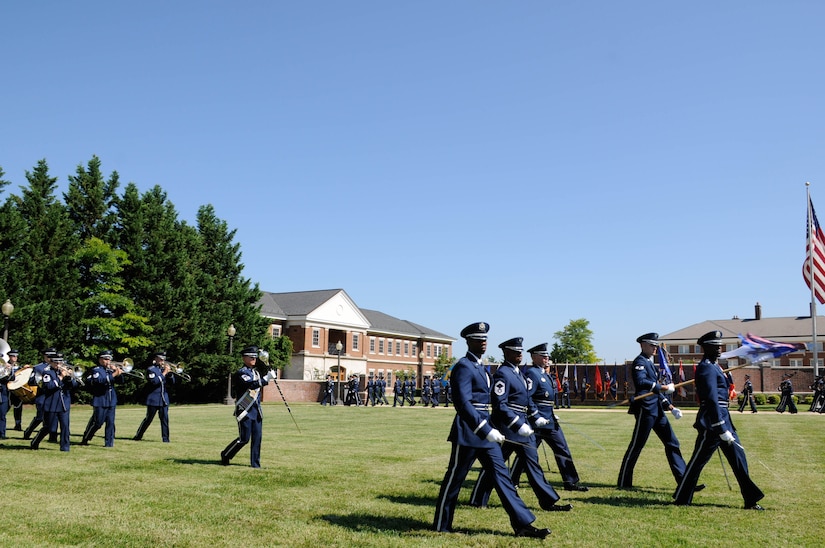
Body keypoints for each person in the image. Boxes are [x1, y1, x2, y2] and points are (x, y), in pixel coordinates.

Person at [433, 322, 551, 539]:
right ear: (468, 341)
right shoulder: (463, 366)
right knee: (455, 480)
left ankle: (523, 525)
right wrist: (483, 428)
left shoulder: (481, 367)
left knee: (502, 477)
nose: (483, 342)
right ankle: (442, 523)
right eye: (478, 339)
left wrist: (491, 429)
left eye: (485, 338)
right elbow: (463, 403)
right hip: (469, 432)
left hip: (487, 433)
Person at [469, 337, 572, 512]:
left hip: (523, 428)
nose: (519, 355)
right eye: (515, 352)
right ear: (506, 353)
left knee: (533, 465)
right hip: (507, 429)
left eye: (520, 352)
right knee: (494, 466)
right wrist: (517, 424)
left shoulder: (520, 374)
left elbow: (527, 400)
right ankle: (478, 499)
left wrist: (536, 416)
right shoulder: (503, 374)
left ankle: (548, 501)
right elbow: (500, 404)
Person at [674, 331, 765, 510]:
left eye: (720, 345)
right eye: (715, 346)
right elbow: (710, 399)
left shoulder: (715, 366)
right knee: (697, 463)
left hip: (723, 419)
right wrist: (720, 427)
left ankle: (750, 499)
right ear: (705, 348)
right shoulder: (706, 367)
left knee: (739, 459)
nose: (719, 348)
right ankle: (682, 497)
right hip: (713, 422)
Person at [512, 343, 588, 492]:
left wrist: (551, 413)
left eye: (547, 355)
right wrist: (535, 415)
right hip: (537, 422)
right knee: (527, 452)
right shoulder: (532, 374)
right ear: (534, 357)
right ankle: (513, 479)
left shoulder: (545, 373)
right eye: (543, 355)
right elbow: (527, 397)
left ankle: (570, 481)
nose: (547, 358)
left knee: (562, 449)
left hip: (549, 420)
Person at [618, 333, 688, 489]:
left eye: (656, 345)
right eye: (652, 345)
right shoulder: (640, 362)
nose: (655, 348)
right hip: (645, 410)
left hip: (657, 409)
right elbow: (641, 382)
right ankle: (624, 482)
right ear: (643, 345)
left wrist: (671, 407)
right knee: (637, 445)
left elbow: (655, 392)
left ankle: (684, 480)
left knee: (672, 442)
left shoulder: (650, 363)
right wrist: (662, 387)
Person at [221, 346, 275, 468]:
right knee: (244, 439)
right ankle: (226, 454)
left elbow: (257, 386)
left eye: (255, 357)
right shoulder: (241, 373)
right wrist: (266, 379)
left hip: (256, 411)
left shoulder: (255, 372)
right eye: (251, 357)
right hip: (245, 409)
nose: (254, 359)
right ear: (244, 358)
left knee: (257, 439)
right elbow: (250, 385)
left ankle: (255, 464)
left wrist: (268, 377)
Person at [31, 353, 78, 451]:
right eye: (56, 362)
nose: (58, 364)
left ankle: (65, 447)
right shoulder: (47, 373)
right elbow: (49, 386)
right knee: (49, 428)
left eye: (60, 362)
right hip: (52, 403)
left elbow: (73, 386)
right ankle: (35, 441)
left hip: (64, 402)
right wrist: (61, 377)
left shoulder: (64, 371)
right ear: (51, 362)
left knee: (65, 426)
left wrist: (69, 378)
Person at [81, 350, 123, 446]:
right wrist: (114, 374)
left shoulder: (110, 370)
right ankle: (86, 437)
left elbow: (120, 382)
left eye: (109, 359)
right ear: (100, 360)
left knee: (110, 423)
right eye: (106, 359)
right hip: (100, 400)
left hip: (111, 400)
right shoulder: (96, 370)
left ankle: (109, 443)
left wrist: (118, 373)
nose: (108, 361)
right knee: (98, 423)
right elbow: (99, 381)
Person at [133, 351, 175, 442]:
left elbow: (172, 383)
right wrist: (164, 373)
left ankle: (166, 439)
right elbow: (154, 382)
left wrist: (170, 374)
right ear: (156, 359)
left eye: (163, 359)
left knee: (165, 419)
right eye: (160, 359)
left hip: (164, 399)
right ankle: (138, 435)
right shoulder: (151, 369)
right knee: (148, 419)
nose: (162, 361)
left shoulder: (164, 369)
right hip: (154, 399)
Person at [24, 348, 58, 441]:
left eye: (52, 356)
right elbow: (31, 381)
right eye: (49, 356)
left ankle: (53, 437)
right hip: (42, 396)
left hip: (54, 396)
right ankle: (28, 431)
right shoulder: (38, 367)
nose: (51, 358)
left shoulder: (58, 366)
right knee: (40, 417)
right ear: (44, 356)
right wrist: (40, 380)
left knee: (54, 417)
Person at [3, 349, 24, 432]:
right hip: (8, 390)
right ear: (9, 357)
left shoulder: (19, 367)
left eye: (16, 356)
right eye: (13, 356)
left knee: (18, 407)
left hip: (17, 390)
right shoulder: (5, 365)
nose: (15, 358)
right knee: (5, 408)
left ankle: (18, 424)